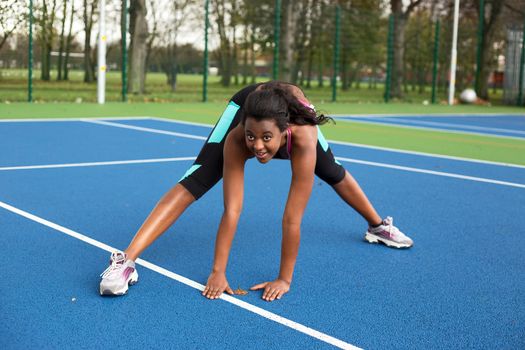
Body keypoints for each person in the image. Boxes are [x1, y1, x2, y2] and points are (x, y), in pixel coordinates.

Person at [99, 81, 413, 300]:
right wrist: (218, 271)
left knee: (330, 170)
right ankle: (126, 261)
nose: (258, 148)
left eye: (266, 139)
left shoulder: (303, 136)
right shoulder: (239, 137)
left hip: (285, 115)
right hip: (246, 102)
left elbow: (292, 218)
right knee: (196, 178)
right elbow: (232, 210)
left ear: (284, 134)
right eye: (252, 139)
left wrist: (284, 279)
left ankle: (377, 226)